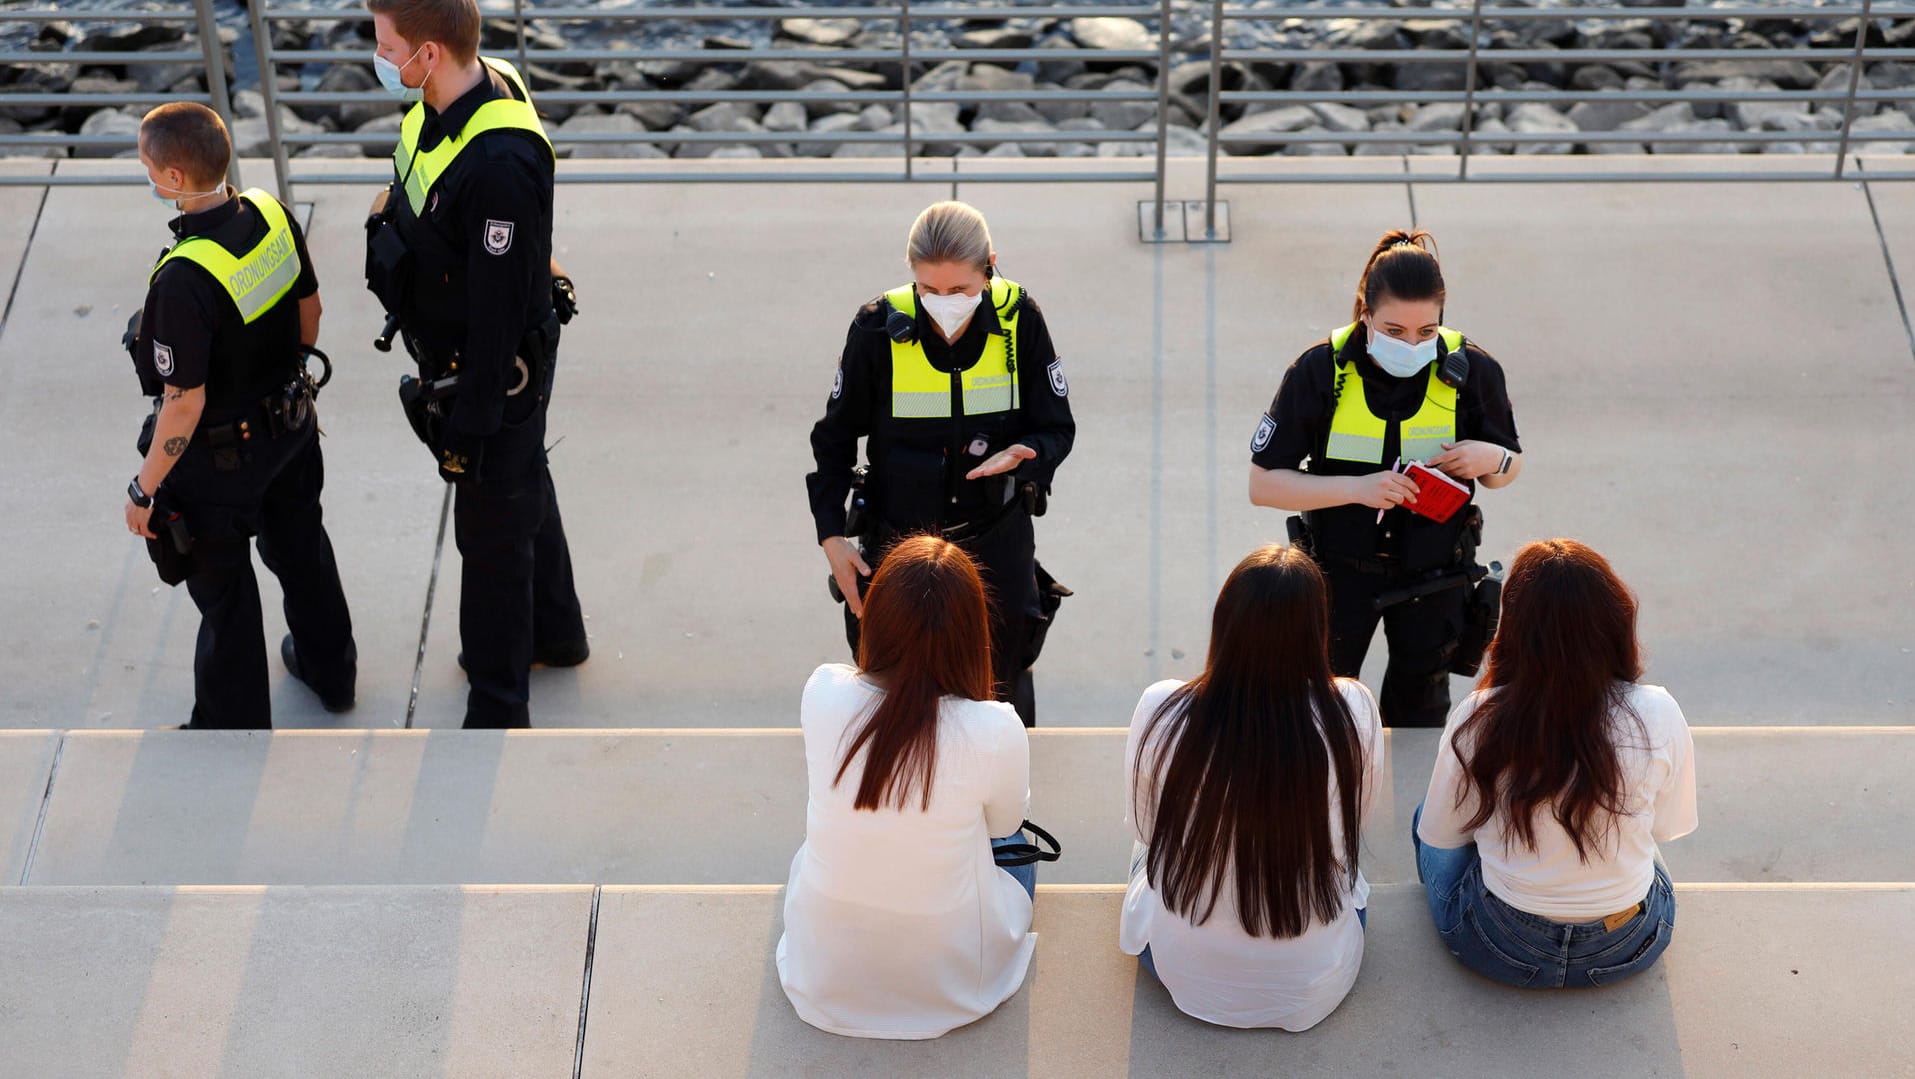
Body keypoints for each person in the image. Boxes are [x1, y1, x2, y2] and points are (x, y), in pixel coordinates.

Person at [362, 0, 586, 728]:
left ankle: (497, 706)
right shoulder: (452, 96)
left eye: (386, 43)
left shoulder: (499, 162)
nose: (379, 54)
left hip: (487, 373)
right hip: (459, 354)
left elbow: (496, 316)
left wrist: (472, 423)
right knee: (523, 486)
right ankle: (557, 633)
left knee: (490, 531)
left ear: (429, 53)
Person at [122, 102, 356, 729]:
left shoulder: (182, 280)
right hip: (291, 428)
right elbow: (311, 311)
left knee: (224, 591)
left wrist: (143, 489)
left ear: (173, 178)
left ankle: (232, 723)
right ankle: (332, 675)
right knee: (304, 549)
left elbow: (183, 402)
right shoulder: (273, 212)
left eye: (148, 166)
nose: (146, 176)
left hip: (217, 464)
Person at [807, 200, 1075, 727]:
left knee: (999, 690)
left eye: (960, 291)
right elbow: (833, 439)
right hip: (900, 543)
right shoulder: (876, 330)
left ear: (990, 266)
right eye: (929, 290)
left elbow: (1057, 427)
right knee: (892, 689)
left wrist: (1030, 455)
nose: (944, 303)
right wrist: (831, 537)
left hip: (995, 539)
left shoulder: (1020, 319)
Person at [1248, 228, 1522, 728]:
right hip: (1338, 572)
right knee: (1320, 708)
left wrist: (1492, 458)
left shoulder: (1475, 369)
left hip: (1436, 575)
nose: (1412, 344)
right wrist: (1357, 488)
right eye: (1394, 331)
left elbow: (1507, 470)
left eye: (1426, 331)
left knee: (1421, 711)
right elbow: (1262, 484)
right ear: (1365, 313)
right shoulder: (1319, 371)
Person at [778, 535, 1035, 1039]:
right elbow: (1004, 826)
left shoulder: (823, 691)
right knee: (1011, 842)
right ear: (972, 633)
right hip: (951, 980)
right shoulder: (996, 726)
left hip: (824, 974)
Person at [1414, 539, 1698, 989]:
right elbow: (1666, 829)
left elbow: (1442, 834)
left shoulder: (1480, 713)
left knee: (1422, 819)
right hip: (1628, 941)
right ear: (1617, 621)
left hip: (1500, 943)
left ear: (1515, 629)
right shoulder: (1659, 711)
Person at [1121, 544, 1381, 1030]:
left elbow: (1145, 826)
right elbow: (1353, 823)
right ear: (1316, 628)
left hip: (1183, 966)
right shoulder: (1354, 709)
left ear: (1224, 623)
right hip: (1315, 977)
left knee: (1142, 845)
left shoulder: (1162, 707)